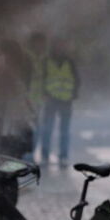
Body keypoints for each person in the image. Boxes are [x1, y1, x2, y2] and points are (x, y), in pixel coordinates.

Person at [0, 39, 33, 157]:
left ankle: (17, 155)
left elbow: (23, 86)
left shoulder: (24, 65)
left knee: (17, 136)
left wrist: (6, 70)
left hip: (16, 106)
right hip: (0, 104)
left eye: (0, 52)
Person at [37, 38, 79, 166]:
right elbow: (41, 79)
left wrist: (73, 94)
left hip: (66, 100)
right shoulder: (47, 62)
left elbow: (76, 80)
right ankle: (45, 155)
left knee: (64, 130)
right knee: (47, 129)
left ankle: (63, 156)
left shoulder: (69, 62)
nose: (61, 48)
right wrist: (44, 94)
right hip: (51, 99)